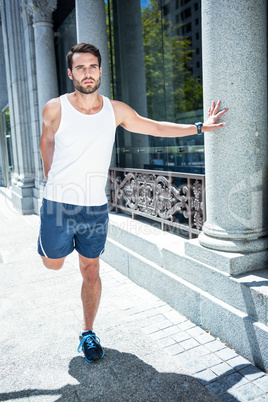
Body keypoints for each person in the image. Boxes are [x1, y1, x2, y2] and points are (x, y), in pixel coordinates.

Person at [38, 43, 228, 364]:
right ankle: (52, 247)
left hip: (95, 208)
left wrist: (199, 127)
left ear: (100, 71)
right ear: (70, 73)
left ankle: (88, 331)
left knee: (91, 268)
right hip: (58, 205)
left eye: (93, 66)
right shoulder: (55, 108)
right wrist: (54, 186)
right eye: (80, 68)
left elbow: (154, 127)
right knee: (53, 263)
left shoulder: (116, 110)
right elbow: (47, 145)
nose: (87, 73)